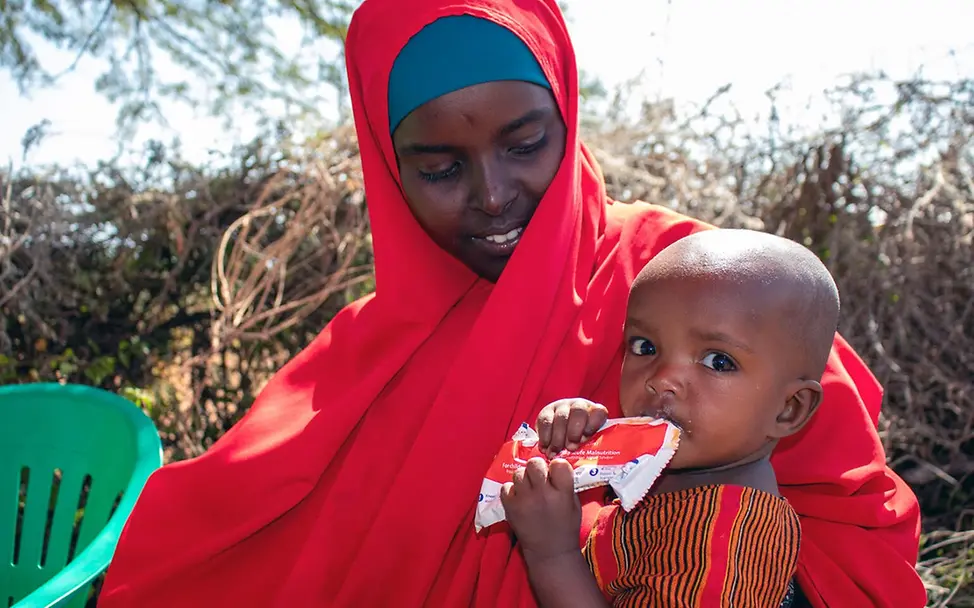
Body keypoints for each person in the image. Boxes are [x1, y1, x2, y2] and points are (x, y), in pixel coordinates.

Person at [98, 1, 926, 606]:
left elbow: (855, 533)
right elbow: (215, 538)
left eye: (525, 144)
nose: (495, 196)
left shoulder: (688, 283)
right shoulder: (367, 354)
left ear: (566, 118)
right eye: (440, 168)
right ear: (388, 167)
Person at [500, 229, 841, 607]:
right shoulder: (682, 465)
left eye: (718, 361)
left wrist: (552, 554)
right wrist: (578, 445)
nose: (661, 379)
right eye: (645, 347)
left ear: (788, 408)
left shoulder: (724, 547)